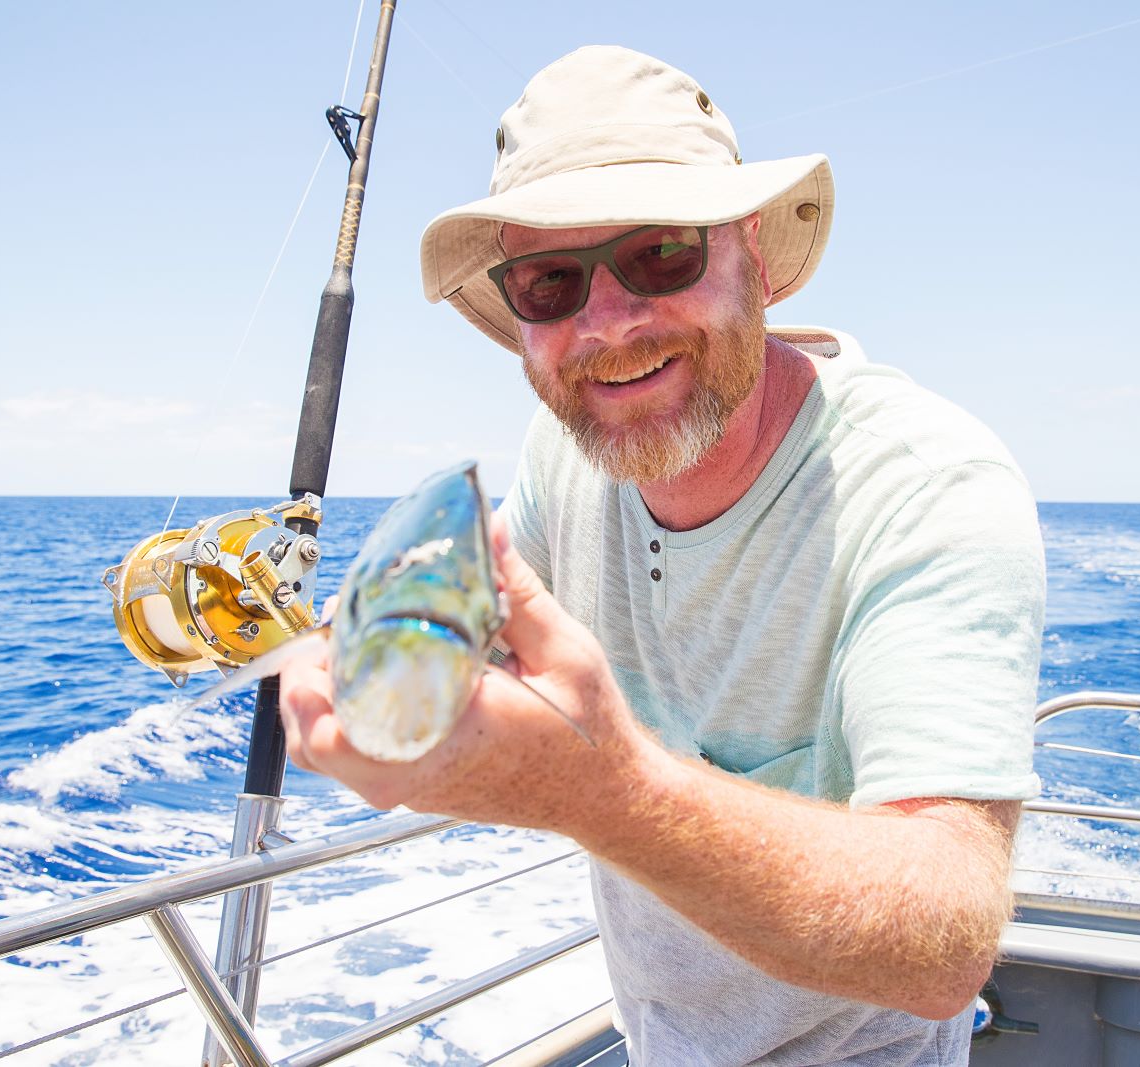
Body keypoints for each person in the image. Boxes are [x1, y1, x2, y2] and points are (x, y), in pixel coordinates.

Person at [279, 45, 1045, 1066]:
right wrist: (355, 658)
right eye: (550, 280)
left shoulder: (928, 485)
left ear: (754, 260)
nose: (608, 324)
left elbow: (941, 934)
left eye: (660, 257)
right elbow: (487, 625)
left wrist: (604, 789)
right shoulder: (564, 449)